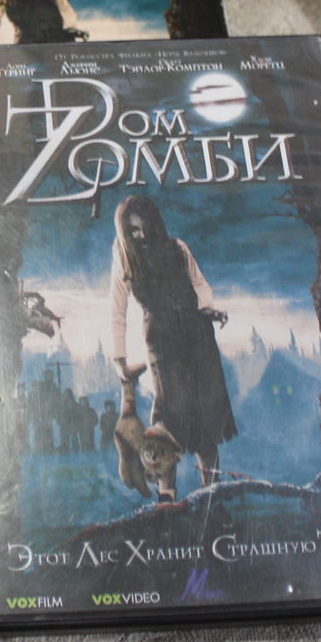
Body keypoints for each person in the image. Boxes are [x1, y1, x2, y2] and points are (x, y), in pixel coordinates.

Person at [110, 195, 236, 489]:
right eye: (133, 230)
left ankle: (211, 494)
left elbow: (199, 284)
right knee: (167, 424)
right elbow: (116, 311)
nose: (141, 235)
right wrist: (120, 360)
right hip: (162, 344)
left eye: (145, 228)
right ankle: (167, 500)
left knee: (206, 421)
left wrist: (209, 308)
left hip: (199, 339)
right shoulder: (124, 259)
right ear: (125, 231)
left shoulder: (177, 248)